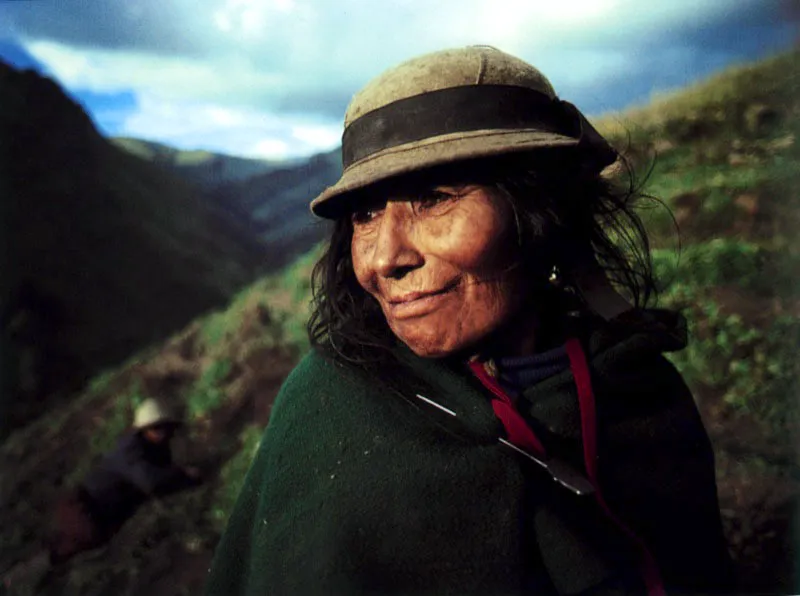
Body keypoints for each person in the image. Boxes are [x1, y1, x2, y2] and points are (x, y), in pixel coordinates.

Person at [205, 46, 733, 595]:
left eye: (433, 199)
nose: (386, 257)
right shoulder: (332, 411)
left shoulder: (637, 392)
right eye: (365, 215)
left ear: (540, 210)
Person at [3, 398, 202, 591]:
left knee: (70, 545)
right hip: (83, 508)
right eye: (157, 428)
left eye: (166, 428)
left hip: (96, 510)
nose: (163, 434)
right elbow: (150, 482)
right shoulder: (130, 450)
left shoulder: (152, 448)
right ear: (144, 429)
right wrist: (181, 474)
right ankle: (16, 579)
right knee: (74, 545)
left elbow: (161, 476)